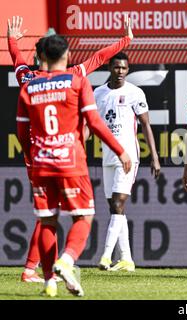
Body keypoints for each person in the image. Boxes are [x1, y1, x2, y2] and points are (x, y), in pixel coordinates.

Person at [7, 15, 134, 283]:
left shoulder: (27, 81)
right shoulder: (74, 77)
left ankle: (36, 272)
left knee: (46, 218)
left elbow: (18, 62)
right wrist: (125, 40)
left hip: (38, 159)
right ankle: (53, 265)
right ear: (66, 53)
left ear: (39, 54)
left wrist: (12, 41)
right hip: (69, 159)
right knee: (81, 216)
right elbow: (98, 59)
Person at [96, 52, 161, 272]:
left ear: (128, 69)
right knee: (114, 208)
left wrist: (154, 157)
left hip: (128, 157)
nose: (121, 72)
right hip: (107, 156)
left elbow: (146, 125)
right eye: (116, 68)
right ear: (109, 68)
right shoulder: (99, 93)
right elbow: (91, 124)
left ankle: (105, 256)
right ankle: (126, 259)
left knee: (117, 204)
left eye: (124, 68)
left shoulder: (135, 92)